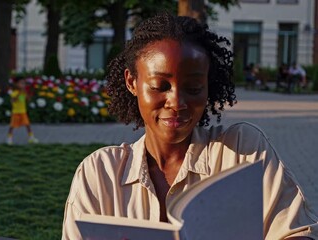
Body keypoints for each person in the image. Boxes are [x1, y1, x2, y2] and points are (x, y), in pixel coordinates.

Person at [62, 13, 318, 240]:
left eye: (193, 88)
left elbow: (297, 231)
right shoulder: (99, 174)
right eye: (159, 86)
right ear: (131, 82)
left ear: (208, 85)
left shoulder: (243, 152)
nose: (177, 102)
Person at [6, 77, 38, 145]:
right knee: (12, 126)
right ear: (16, 84)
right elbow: (13, 100)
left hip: (23, 112)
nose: (23, 85)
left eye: (24, 83)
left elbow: (25, 100)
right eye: (21, 83)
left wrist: (30, 93)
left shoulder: (23, 93)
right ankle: (9, 138)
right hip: (16, 112)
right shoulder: (14, 93)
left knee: (27, 125)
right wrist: (20, 93)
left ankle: (31, 137)